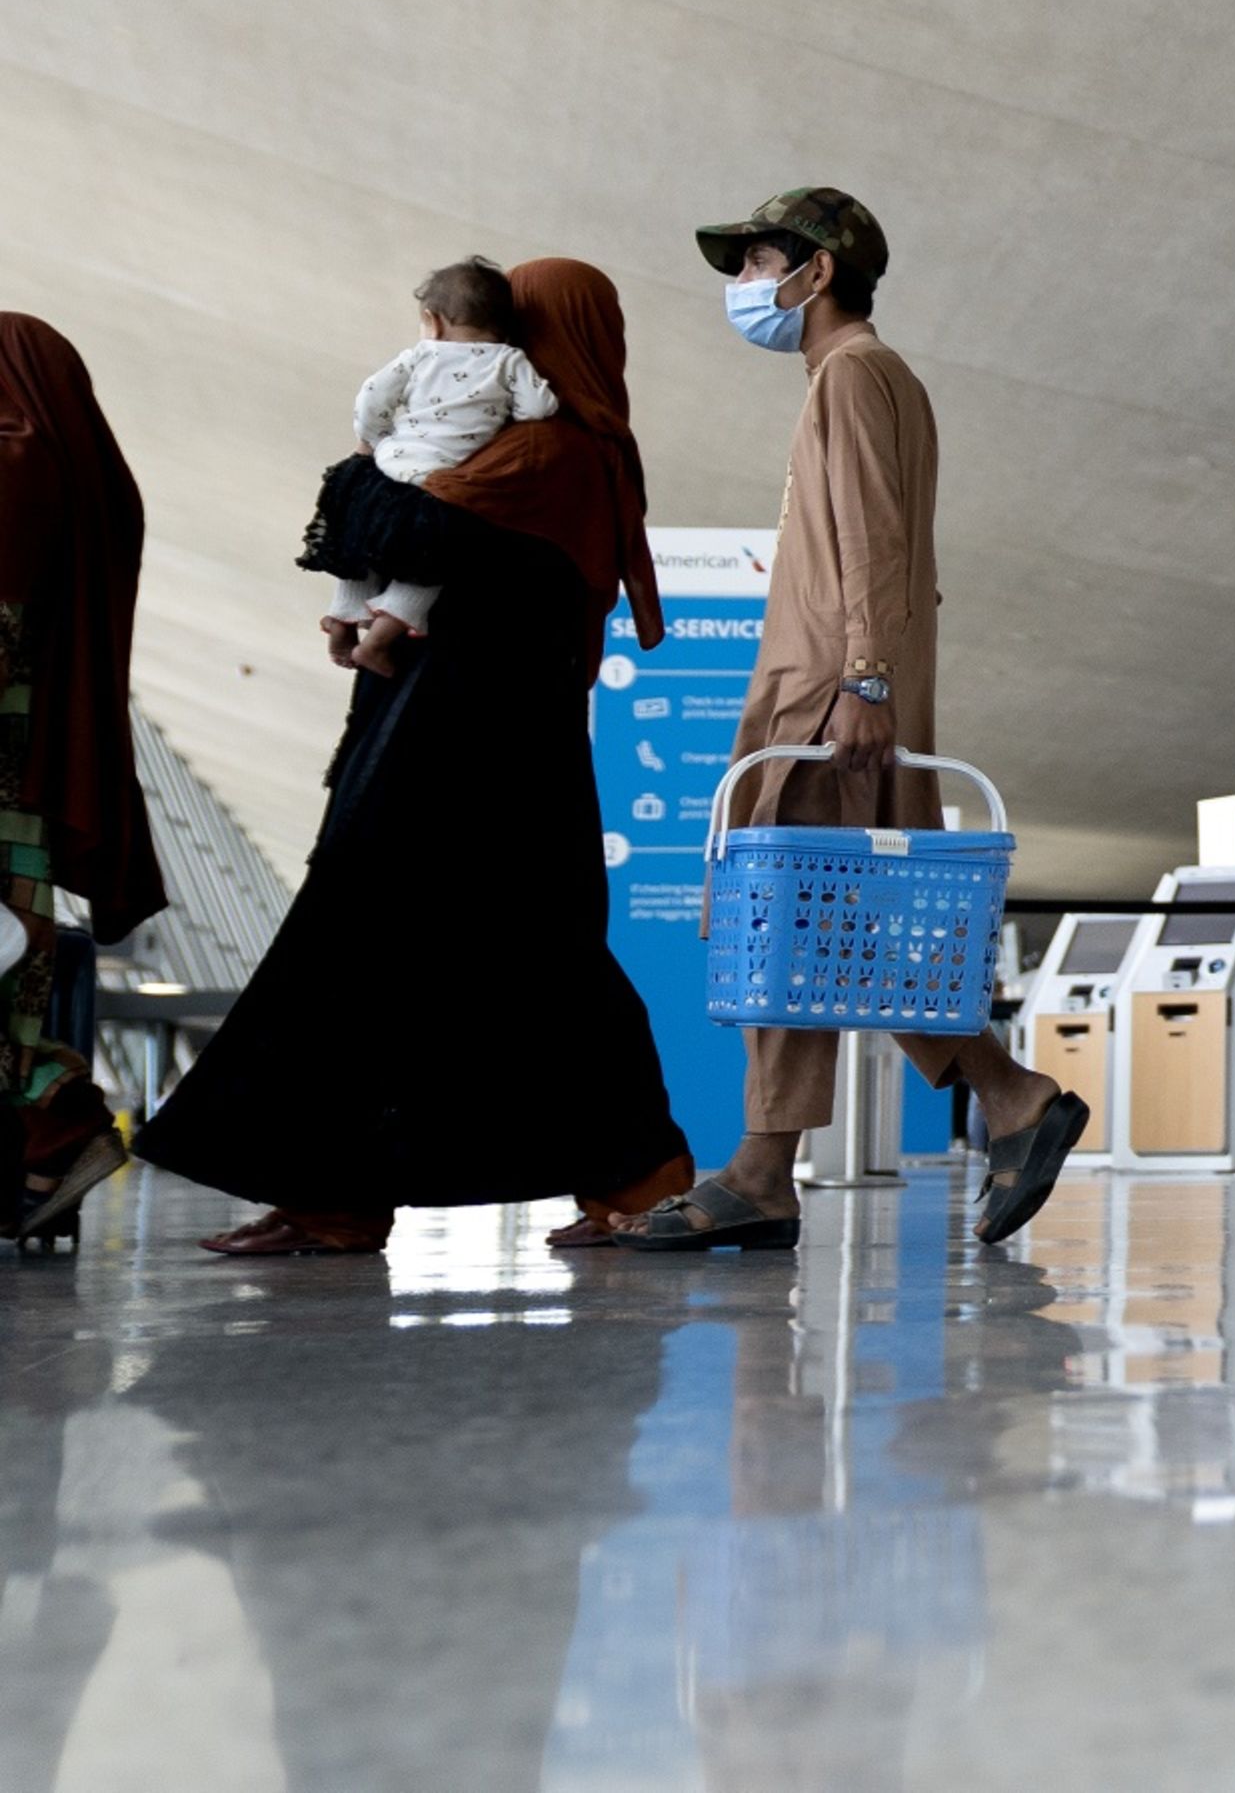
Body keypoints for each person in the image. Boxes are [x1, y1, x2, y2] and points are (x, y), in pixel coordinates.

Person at [137, 260, 695, 1252]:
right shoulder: (532, 447)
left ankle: (617, 1175)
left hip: (466, 751)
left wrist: (364, 468)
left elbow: (405, 524)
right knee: (495, 959)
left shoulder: (553, 456)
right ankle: (369, 1192)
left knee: (407, 949)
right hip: (465, 747)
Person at [624, 190, 1089, 1251]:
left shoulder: (854, 375)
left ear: (816, 273)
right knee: (845, 926)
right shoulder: (865, 379)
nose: (742, 286)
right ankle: (1004, 1100)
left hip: (826, 692)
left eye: (754, 263)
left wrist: (864, 680)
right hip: (835, 684)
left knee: (792, 918)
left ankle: (760, 1171)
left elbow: (874, 539)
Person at [0, 316, 167, 1246]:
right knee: (15, 973)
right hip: (27, 779)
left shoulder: (11, 474)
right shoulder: (81, 475)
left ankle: (52, 1132)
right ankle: (41, 1151)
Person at [300, 256, 561, 675]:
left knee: (359, 542)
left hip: (383, 474)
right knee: (427, 564)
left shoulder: (420, 354)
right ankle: (381, 641)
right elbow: (539, 408)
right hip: (437, 489)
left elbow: (372, 396)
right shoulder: (508, 361)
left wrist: (376, 436)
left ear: (432, 320)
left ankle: (343, 622)